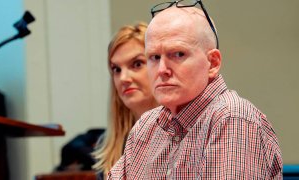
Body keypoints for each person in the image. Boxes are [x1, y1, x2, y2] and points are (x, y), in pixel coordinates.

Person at [108, 1, 283, 179]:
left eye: (178, 54)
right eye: (154, 57)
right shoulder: (147, 126)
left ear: (213, 63)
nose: (162, 69)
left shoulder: (232, 118)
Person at [92, 22, 158, 178]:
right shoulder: (111, 146)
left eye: (136, 64)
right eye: (116, 69)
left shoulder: (187, 134)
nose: (123, 78)